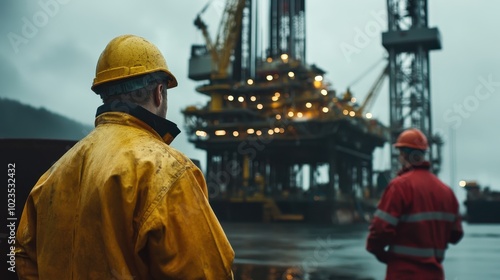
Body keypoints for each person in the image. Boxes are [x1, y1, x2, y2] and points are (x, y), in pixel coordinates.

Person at [15, 34, 234, 279]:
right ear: (159, 93)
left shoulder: (52, 176)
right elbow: (206, 272)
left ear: (104, 94)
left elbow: (23, 256)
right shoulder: (168, 171)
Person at [366, 128, 463, 280]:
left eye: (399, 154)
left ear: (403, 154)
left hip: (403, 274)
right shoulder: (446, 191)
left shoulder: (400, 186)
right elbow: (456, 234)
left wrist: (376, 250)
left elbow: (381, 229)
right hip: (435, 275)